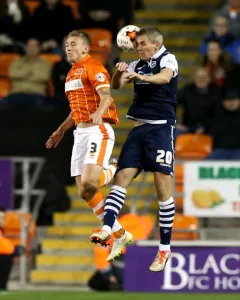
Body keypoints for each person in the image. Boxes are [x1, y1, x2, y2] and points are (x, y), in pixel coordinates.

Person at [90, 26, 178, 272]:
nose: (138, 48)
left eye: (142, 44)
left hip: (161, 129)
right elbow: (117, 86)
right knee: (120, 179)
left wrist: (141, 77)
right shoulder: (137, 65)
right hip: (139, 129)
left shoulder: (167, 58)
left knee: (162, 189)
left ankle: (164, 249)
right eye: (136, 44)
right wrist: (120, 72)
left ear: (155, 44)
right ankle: (110, 229)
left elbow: (165, 78)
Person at [46, 30, 128, 242]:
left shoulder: (94, 67)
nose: (68, 48)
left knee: (91, 183)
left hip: (97, 130)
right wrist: (61, 130)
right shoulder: (71, 74)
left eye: (73, 44)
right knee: (84, 192)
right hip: (79, 134)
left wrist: (99, 114)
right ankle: (120, 234)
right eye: (66, 45)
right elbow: (76, 110)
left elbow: (107, 97)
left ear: (86, 48)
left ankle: (116, 166)